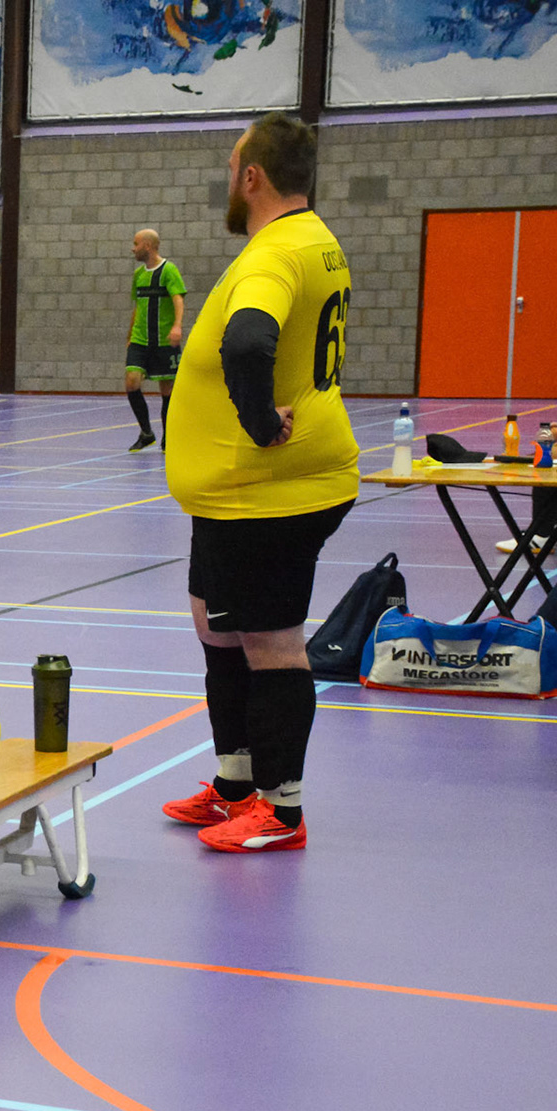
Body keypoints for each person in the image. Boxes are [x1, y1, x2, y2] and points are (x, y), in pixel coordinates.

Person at [161, 112, 358, 853]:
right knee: (217, 627)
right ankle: (235, 783)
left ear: (252, 176)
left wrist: (256, 420)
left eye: (231, 164)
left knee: (272, 645)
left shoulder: (276, 253)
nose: (227, 175)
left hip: (270, 493)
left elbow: (249, 341)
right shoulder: (310, 240)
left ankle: (282, 810)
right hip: (231, 496)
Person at [126, 228, 188, 452]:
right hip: (140, 339)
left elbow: (178, 300)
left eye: (136, 244)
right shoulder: (138, 275)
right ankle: (146, 433)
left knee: (167, 390)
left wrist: (177, 326)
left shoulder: (169, 270)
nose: (133, 249)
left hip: (163, 341)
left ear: (148, 246)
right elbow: (137, 306)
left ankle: (168, 438)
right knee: (131, 381)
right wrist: (130, 335)